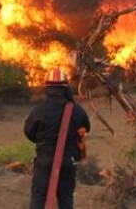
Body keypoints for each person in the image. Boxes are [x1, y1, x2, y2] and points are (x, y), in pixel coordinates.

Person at [24, 67, 91, 209]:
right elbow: (86, 128)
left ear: (47, 88)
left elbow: (29, 132)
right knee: (66, 201)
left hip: (44, 161)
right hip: (68, 162)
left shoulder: (39, 110)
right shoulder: (76, 110)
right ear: (65, 88)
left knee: (38, 201)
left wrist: (44, 140)